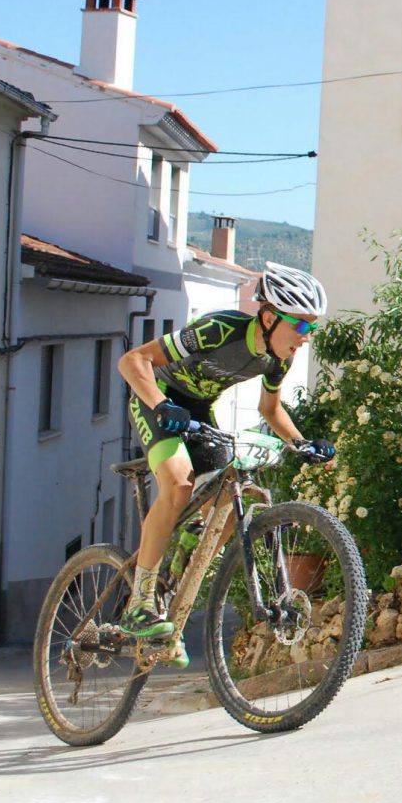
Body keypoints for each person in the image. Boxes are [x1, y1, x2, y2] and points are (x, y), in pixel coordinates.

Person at [117, 261, 335, 667]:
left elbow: (270, 409)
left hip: (199, 411)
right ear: (270, 318)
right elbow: (133, 361)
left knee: (231, 507)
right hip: (158, 398)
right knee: (179, 485)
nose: (307, 338)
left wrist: (303, 444)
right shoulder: (219, 330)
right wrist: (162, 405)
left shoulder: (278, 359)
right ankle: (140, 600)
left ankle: (175, 594)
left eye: (313, 328)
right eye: (302, 327)